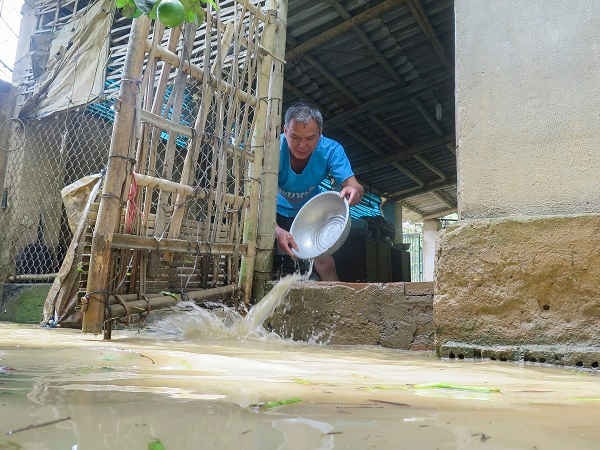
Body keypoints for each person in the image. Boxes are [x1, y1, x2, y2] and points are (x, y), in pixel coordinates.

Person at [275, 102, 364, 281]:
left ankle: (339, 305)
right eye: (295, 137)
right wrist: (276, 230)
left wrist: (353, 191)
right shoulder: (272, 149)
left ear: (320, 134)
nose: (302, 145)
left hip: (309, 214)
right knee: (260, 257)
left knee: (325, 263)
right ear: (285, 131)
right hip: (271, 211)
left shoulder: (331, 149)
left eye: (310, 138)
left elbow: (355, 186)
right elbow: (256, 199)